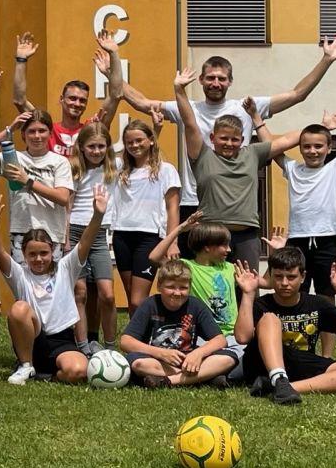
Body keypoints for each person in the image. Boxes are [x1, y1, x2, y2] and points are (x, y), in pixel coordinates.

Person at [122, 35, 336, 220]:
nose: (216, 83)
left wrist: (326, 60)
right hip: (193, 201)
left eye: (222, 78)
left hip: (236, 203)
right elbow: (141, 102)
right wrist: (112, 66)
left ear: (230, 81)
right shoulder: (186, 108)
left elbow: (297, 94)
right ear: (200, 80)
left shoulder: (247, 107)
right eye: (210, 78)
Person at [174, 68, 301, 269]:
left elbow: (286, 140)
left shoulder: (252, 153)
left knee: (247, 282)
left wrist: (321, 129)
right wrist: (179, 90)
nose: (229, 143)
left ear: (242, 140)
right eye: (223, 138)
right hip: (210, 234)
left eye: (234, 139)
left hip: (245, 235)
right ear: (212, 138)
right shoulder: (202, 155)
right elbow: (190, 124)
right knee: (209, 283)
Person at [0, 182, 108, 385]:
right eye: (32, 254)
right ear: (24, 255)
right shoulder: (20, 274)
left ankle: (47, 375)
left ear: (53, 251)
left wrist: (97, 215)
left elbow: (85, 242)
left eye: (43, 253)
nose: (38, 259)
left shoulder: (65, 269)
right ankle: (26, 365)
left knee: (78, 371)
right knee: (19, 308)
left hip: (62, 339)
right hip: (33, 339)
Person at [272, 89, 336, 304]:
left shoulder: (335, 169)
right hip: (297, 240)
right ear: (300, 149)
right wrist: (256, 119)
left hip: (326, 240)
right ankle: (299, 327)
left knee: (326, 294)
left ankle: (328, 328)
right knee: (295, 292)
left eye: (318, 146)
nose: (313, 151)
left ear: (329, 149)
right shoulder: (293, 169)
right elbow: (272, 148)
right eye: (307, 146)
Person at [234, 248, 336, 404]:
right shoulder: (261, 304)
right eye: (278, 276)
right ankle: (278, 378)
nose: (284, 283)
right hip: (262, 365)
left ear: (303, 277)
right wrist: (248, 294)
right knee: (269, 319)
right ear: (270, 276)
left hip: (300, 363)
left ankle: (282, 386)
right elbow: (242, 337)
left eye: (291, 277)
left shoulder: (317, 304)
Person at [149, 213, 250, 378]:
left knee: (244, 361)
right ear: (207, 247)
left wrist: (276, 251)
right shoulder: (187, 268)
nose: (229, 250)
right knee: (202, 359)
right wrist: (180, 229)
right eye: (224, 245)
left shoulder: (230, 268)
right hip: (202, 337)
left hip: (232, 337)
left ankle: (212, 373)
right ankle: (213, 373)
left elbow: (267, 282)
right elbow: (154, 257)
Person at [119, 259, 236, 388]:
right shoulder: (149, 305)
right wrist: (160, 353)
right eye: (170, 287)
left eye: (183, 288)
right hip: (158, 361)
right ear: (159, 286)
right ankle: (202, 377)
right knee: (138, 363)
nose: (177, 293)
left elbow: (220, 340)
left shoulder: (195, 305)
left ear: (189, 288)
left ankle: (168, 381)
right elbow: (126, 341)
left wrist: (198, 353)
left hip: (189, 360)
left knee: (229, 358)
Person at [0, 109, 73, 262]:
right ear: (23, 134)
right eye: (31, 131)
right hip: (21, 232)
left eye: (42, 131)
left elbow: (63, 197)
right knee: (22, 278)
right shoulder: (14, 157)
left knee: (51, 278)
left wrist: (28, 181)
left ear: (50, 133)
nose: (37, 136)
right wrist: (10, 129)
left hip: (52, 233)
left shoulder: (60, 162)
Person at [11, 29, 122, 156]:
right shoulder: (45, 129)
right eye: (72, 98)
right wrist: (21, 60)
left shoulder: (92, 129)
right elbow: (19, 101)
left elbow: (116, 95)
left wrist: (114, 53)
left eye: (82, 100)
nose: (77, 103)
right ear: (61, 99)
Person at [110, 116, 180, 314]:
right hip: (122, 236)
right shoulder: (120, 168)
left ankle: (148, 330)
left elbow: (173, 208)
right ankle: (138, 333)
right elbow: (99, 153)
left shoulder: (165, 170)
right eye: (129, 142)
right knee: (131, 297)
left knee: (138, 300)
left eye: (139, 140)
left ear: (151, 140)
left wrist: (172, 241)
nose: (135, 145)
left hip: (149, 238)